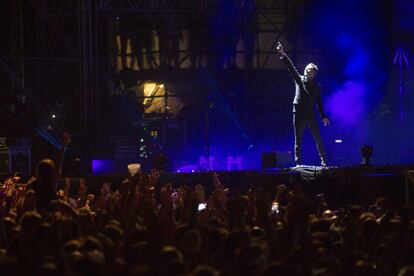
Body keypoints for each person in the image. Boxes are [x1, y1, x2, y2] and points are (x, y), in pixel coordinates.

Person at [276, 42, 330, 166]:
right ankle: (298, 163)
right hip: (299, 112)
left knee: (317, 137)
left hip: (310, 113)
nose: (306, 72)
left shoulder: (317, 86)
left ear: (313, 74)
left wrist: (323, 116)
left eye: (309, 71)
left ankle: (324, 161)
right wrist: (283, 54)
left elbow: (319, 103)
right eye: (306, 70)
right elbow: (291, 67)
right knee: (298, 139)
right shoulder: (299, 79)